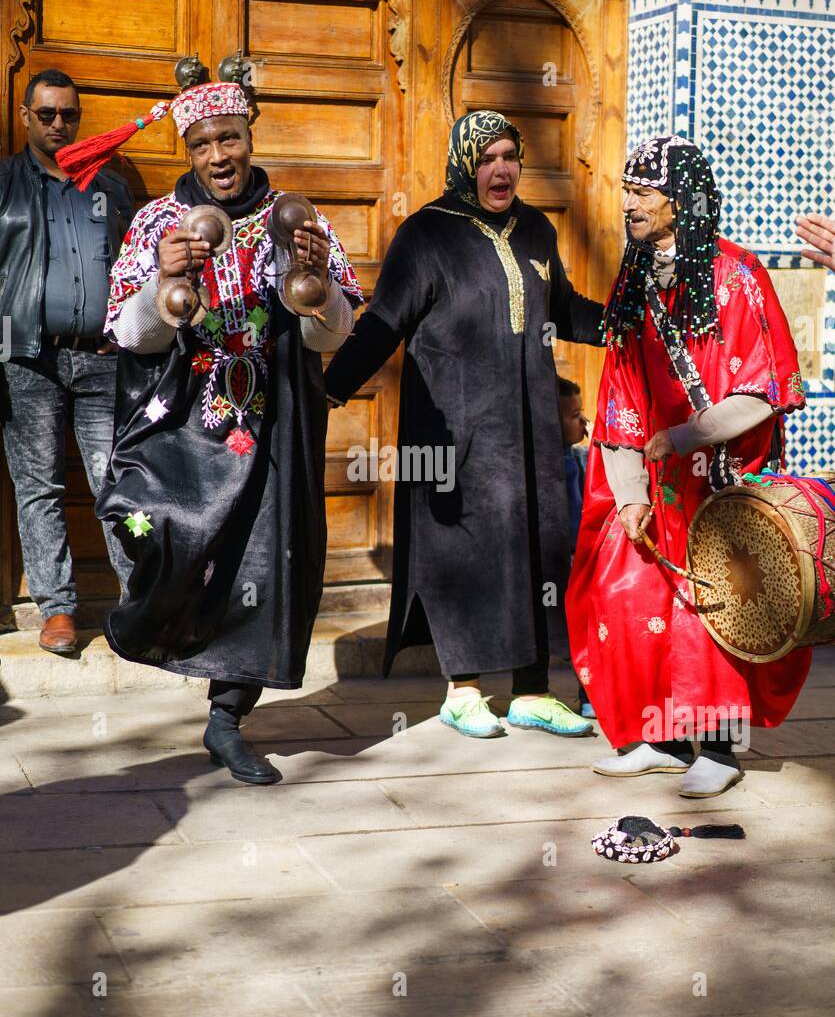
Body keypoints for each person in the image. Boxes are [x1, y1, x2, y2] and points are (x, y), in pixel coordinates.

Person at [59, 72, 361, 785]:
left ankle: (227, 717)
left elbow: (331, 335)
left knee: (262, 567)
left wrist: (315, 290)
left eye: (229, 137)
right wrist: (160, 288)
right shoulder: (157, 222)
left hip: (271, 424)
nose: (218, 154)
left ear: (250, 135)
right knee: (154, 532)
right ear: (188, 151)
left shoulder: (296, 217)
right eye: (202, 144)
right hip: (181, 423)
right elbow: (130, 337)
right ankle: (146, 625)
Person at [324, 110, 603, 739]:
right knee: (466, 553)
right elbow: (384, 321)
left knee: (535, 545)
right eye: (487, 159)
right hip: (453, 428)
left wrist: (630, 325)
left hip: (528, 425)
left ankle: (532, 691)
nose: (500, 169)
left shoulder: (534, 230)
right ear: (465, 164)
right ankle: (465, 690)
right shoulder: (426, 234)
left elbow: (564, 308)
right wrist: (331, 387)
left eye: (509, 156)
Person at [567, 135, 810, 798]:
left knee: (719, 606)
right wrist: (627, 490)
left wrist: (682, 436)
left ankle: (723, 748)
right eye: (625, 189)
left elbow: (762, 389)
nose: (627, 204)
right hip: (657, 480)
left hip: (724, 479)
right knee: (634, 591)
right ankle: (664, 738)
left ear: (680, 201)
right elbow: (619, 391)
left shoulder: (738, 275)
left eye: (641, 192)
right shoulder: (637, 279)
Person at [0, 68, 135, 653]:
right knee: (38, 486)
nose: (59, 124)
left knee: (116, 482)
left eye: (69, 115)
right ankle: (57, 609)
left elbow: (135, 272)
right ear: (25, 116)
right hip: (24, 362)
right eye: (47, 114)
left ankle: (138, 606)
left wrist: (132, 335)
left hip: (102, 360)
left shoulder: (111, 189)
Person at [557, 377, 594, 719]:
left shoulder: (581, 458)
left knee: (585, 634)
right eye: (574, 416)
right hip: (559, 562)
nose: (583, 423)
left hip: (580, 560)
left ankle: (589, 694)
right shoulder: (554, 464)